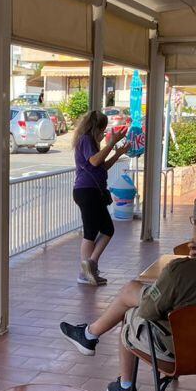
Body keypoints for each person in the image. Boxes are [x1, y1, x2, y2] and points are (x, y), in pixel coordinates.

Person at [60, 192, 196, 391]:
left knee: (130, 309)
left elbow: (148, 312)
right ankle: (90, 337)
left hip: (179, 353)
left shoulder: (180, 271)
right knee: (135, 294)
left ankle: (123, 383)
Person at [72, 109, 128, 285]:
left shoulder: (90, 143)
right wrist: (111, 143)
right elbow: (95, 162)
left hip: (92, 191)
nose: (104, 134)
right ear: (96, 128)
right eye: (103, 130)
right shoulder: (86, 140)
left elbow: (101, 167)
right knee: (92, 231)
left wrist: (117, 154)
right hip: (87, 191)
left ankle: (90, 267)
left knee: (105, 229)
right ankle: (86, 271)